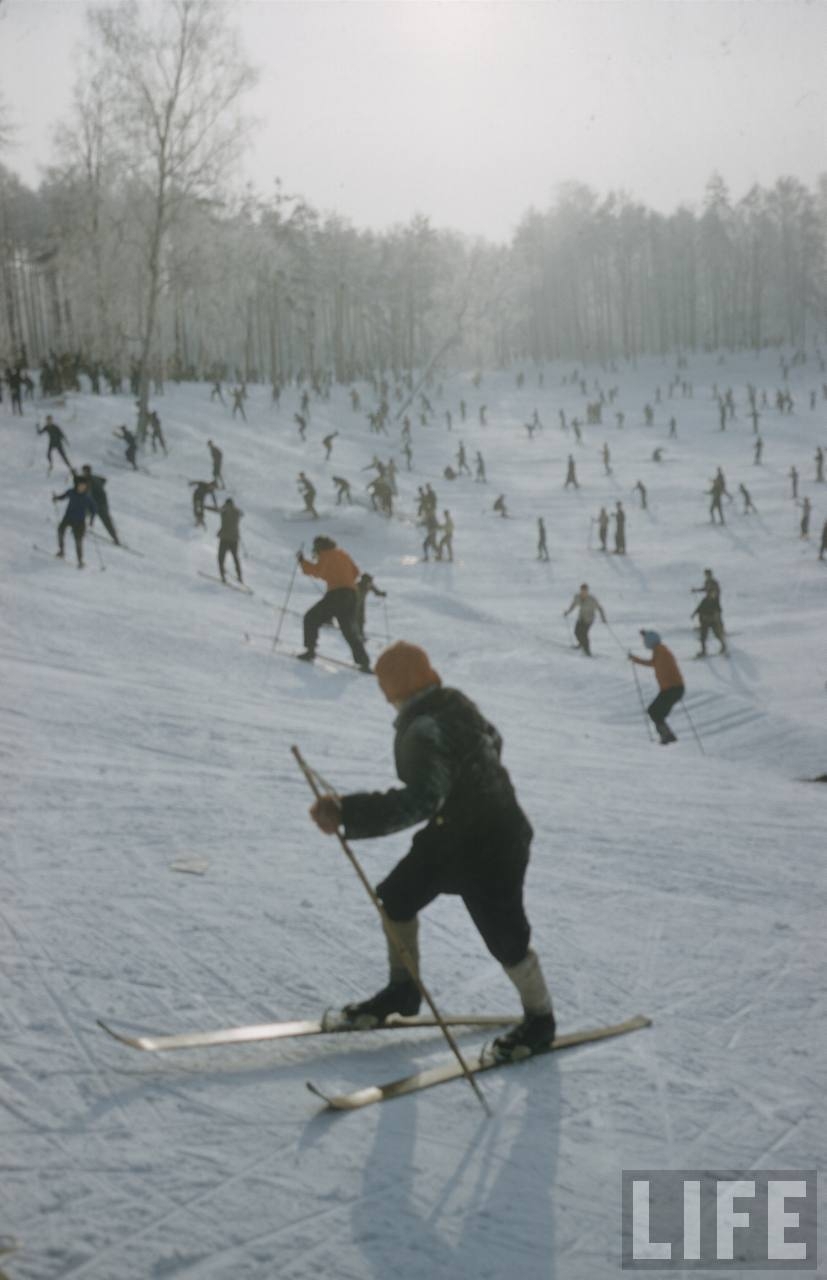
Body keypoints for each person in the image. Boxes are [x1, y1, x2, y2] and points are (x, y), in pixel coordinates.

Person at [308, 641, 556, 1060]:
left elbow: (422, 800)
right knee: (397, 896)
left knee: (505, 936)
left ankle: (540, 1020)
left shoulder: (422, 730)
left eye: (385, 687)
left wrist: (347, 813)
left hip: (494, 842)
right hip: (455, 833)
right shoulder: (454, 702)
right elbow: (494, 740)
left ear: (395, 687)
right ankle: (403, 991)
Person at [296, 536, 371, 671]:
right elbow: (355, 572)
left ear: (319, 547)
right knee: (349, 629)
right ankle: (364, 662)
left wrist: (302, 562)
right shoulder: (342, 553)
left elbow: (318, 571)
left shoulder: (326, 555)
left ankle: (310, 651)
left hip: (337, 594)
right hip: (352, 595)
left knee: (311, 617)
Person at [628, 631, 685, 744]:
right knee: (655, 712)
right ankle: (667, 735)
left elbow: (654, 663)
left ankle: (667, 735)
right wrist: (635, 660)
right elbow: (653, 663)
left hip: (672, 689)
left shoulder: (661, 651)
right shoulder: (659, 650)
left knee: (654, 711)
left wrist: (635, 659)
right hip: (671, 689)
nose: (644, 643)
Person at [52, 477, 97, 568]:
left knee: (78, 541)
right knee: (60, 531)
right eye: (80, 486)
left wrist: (92, 521)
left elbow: (94, 509)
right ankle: (61, 552)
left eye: (84, 486)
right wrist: (56, 498)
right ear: (77, 485)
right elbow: (63, 496)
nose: (82, 487)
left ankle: (80, 561)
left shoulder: (87, 497)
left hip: (80, 522)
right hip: (68, 517)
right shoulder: (71, 492)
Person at [78, 465, 119, 545]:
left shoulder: (88, 481)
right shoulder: (95, 478)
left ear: (86, 472)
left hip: (98, 504)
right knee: (107, 521)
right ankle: (116, 539)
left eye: (84, 471)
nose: (83, 473)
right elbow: (104, 480)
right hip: (103, 503)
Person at [563, 583, 607, 656]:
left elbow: (600, 608)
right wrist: (567, 612)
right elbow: (573, 605)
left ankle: (587, 651)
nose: (583, 592)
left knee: (584, 634)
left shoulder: (592, 599)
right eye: (582, 590)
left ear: (587, 591)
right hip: (581, 617)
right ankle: (581, 644)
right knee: (576, 632)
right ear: (580, 590)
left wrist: (603, 618)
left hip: (589, 619)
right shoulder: (577, 597)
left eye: (585, 591)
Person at [209, 497, 244, 584]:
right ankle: (240, 576)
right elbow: (241, 513)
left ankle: (223, 576)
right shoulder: (237, 512)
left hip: (225, 538)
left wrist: (206, 507)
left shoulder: (224, 510)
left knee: (221, 557)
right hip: (234, 539)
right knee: (235, 558)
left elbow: (217, 510)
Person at [692, 581, 727, 657]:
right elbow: (699, 608)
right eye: (711, 593)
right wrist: (694, 614)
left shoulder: (715, 602)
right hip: (705, 621)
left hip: (713, 621)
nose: (713, 595)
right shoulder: (705, 600)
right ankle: (703, 651)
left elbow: (719, 610)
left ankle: (723, 646)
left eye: (713, 593)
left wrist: (716, 617)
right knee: (703, 637)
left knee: (717, 634)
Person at [355, 572, 387, 640]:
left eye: (370, 581)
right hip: (353, 603)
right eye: (369, 581)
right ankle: (356, 633)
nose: (370, 583)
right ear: (364, 581)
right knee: (356, 618)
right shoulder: (357, 586)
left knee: (361, 618)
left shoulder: (369, 585)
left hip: (361, 603)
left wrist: (382, 594)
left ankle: (360, 633)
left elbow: (376, 592)